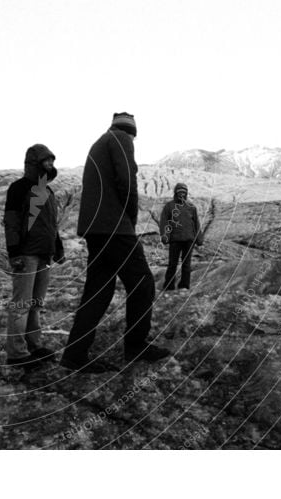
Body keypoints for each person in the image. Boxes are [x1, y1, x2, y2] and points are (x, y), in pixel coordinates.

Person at [60, 113, 170, 373]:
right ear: (132, 131)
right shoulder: (121, 139)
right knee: (142, 283)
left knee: (98, 290)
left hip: (96, 229)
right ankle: (135, 345)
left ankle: (74, 354)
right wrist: (130, 218)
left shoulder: (102, 141)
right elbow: (126, 181)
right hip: (113, 227)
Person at [2, 144, 65, 369]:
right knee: (21, 303)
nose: (50, 165)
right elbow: (11, 222)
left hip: (44, 254)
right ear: (34, 163)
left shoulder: (48, 191)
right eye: (46, 161)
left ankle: (34, 345)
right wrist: (14, 252)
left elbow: (51, 225)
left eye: (52, 161)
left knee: (36, 303)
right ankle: (17, 354)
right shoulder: (19, 188)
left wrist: (57, 247)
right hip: (26, 253)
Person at [159, 182, 203, 291]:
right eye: (179, 192)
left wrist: (199, 239)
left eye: (184, 192)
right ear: (175, 193)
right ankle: (169, 287)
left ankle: (184, 286)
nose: (182, 194)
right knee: (172, 264)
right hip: (175, 240)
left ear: (187, 193)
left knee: (186, 265)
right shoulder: (169, 206)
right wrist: (165, 236)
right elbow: (164, 222)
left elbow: (196, 224)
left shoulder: (192, 207)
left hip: (189, 240)